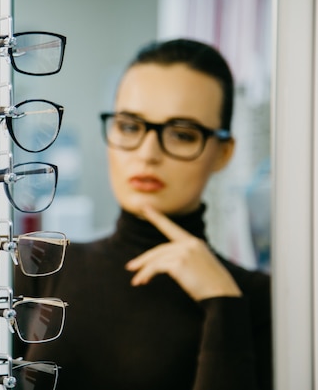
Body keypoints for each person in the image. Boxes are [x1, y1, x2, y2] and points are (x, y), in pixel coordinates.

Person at [14, 38, 272, 390]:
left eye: (182, 134)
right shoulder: (41, 265)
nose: (148, 153)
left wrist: (222, 304)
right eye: (131, 127)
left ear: (223, 152)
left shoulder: (251, 298)